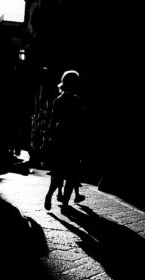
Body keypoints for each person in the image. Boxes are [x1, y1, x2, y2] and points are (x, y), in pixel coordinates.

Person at [44, 70, 86, 210]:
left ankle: (55, 198)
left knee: (61, 174)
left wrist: (51, 138)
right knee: (68, 174)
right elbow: (79, 122)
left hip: (62, 139)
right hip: (69, 139)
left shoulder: (59, 101)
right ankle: (61, 202)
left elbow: (52, 123)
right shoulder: (74, 101)